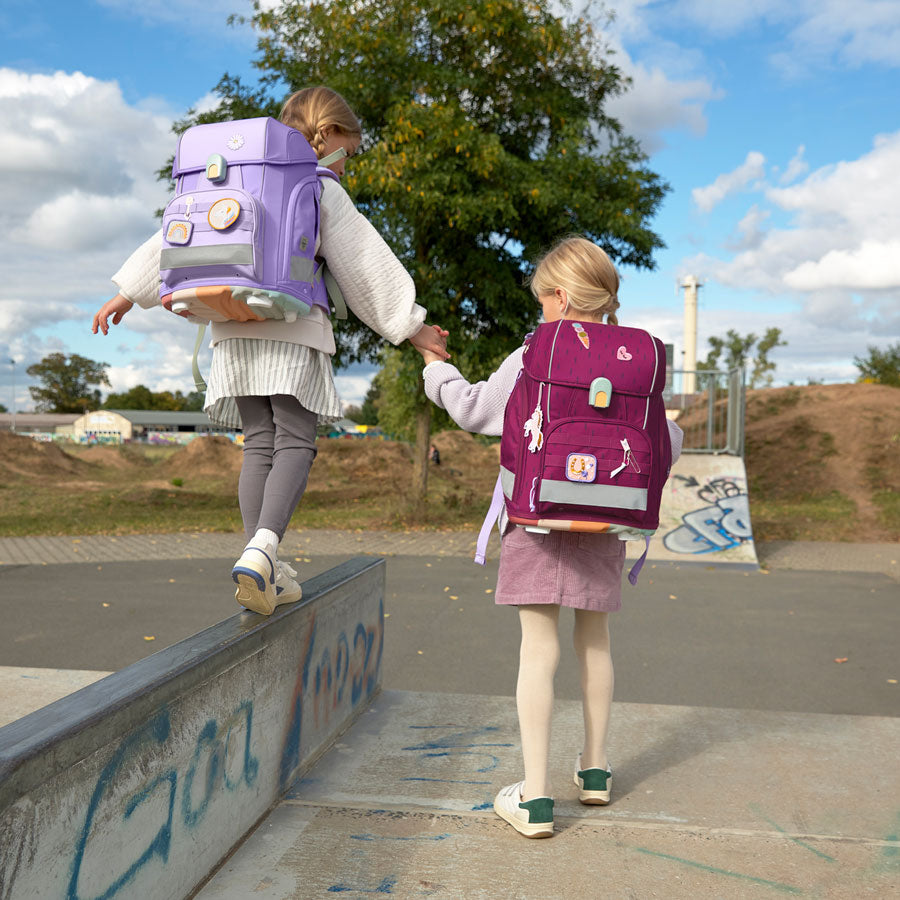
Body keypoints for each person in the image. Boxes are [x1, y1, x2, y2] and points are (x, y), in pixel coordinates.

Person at [92, 86, 449, 616]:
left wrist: (129, 292)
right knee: (297, 440)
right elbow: (364, 264)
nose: (347, 166)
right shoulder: (316, 184)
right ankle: (264, 549)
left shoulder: (237, 176)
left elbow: (168, 237)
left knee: (258, 442)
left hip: (230, 323)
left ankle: (265, 565)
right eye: (347, 152)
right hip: (291, 317)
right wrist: (413, 327)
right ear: (325, 136)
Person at [413, 235, 683, 838]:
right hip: (606, 516)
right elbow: (662, 441)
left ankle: (534, 798)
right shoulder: (639, 357)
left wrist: (437, 368)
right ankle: (595, 771)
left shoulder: (535, 349)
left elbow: (479, 412)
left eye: (542, 299)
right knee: (595, 640)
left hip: (536, 516)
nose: (541, 312)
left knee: (538, 650)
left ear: (560, 296)